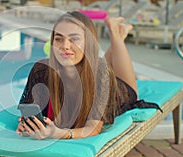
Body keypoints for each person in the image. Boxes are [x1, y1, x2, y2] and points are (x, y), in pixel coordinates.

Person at [16, 11, 139, 140]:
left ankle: (116, 34)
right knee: (100, 66)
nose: (65, 46)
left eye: (74, 39)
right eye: (58, 39)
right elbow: (33, 110)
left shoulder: (101, 75)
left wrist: (60, 134)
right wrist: (27, 125)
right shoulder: (41, 70)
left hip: (116, 94)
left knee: (131, 90)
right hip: (94, 70)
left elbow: (93, 128)